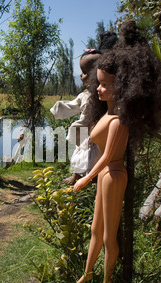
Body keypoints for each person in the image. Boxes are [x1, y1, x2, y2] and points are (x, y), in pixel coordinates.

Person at [73, 21, 161, 283]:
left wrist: (85, 178)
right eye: (98, 83)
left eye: (104, 85)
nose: (98, 89)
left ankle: (107, 281)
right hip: (105, 174)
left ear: (122, 87)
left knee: (108, 234)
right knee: (95, 229)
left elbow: (109, 156)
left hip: (113, 174)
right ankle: (89, 272)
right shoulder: (107, 115)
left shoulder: (118, 122)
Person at [50, 49, 102, 185]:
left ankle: (87, 178)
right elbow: (74, 106)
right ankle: (79, 176)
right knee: (83, 154)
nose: (81, 75)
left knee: (90, 154)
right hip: (86, 131)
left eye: (84, 72)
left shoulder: (99, 95)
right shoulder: (86, 94)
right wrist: (59, 107)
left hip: (94, 131)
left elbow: (88, 114)